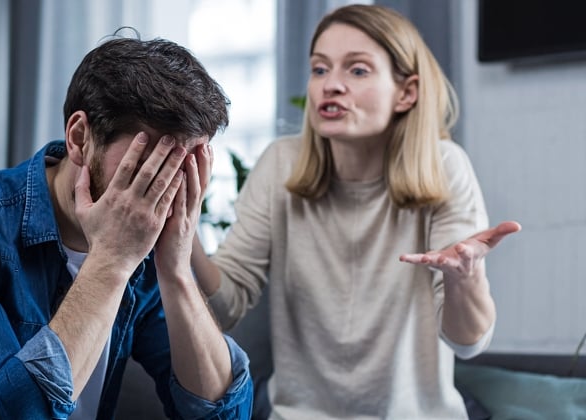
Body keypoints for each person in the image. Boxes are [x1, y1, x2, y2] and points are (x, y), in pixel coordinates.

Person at [0, 33, 253, 419]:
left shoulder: (148, 245)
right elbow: (14, 413)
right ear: (80, 137)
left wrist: (177, 270)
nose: (164, 187)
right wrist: (112, 259)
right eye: (149, 164)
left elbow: (224, 414)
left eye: (185, 166)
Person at [190, 4, 521, 419]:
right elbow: (226, 306)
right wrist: (186, 239)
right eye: (320, 69)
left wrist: (463, 279)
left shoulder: (444, 166)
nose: (332, 85)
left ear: (407, 92)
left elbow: (468, 341)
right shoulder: (280, 165)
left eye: (358, 71)